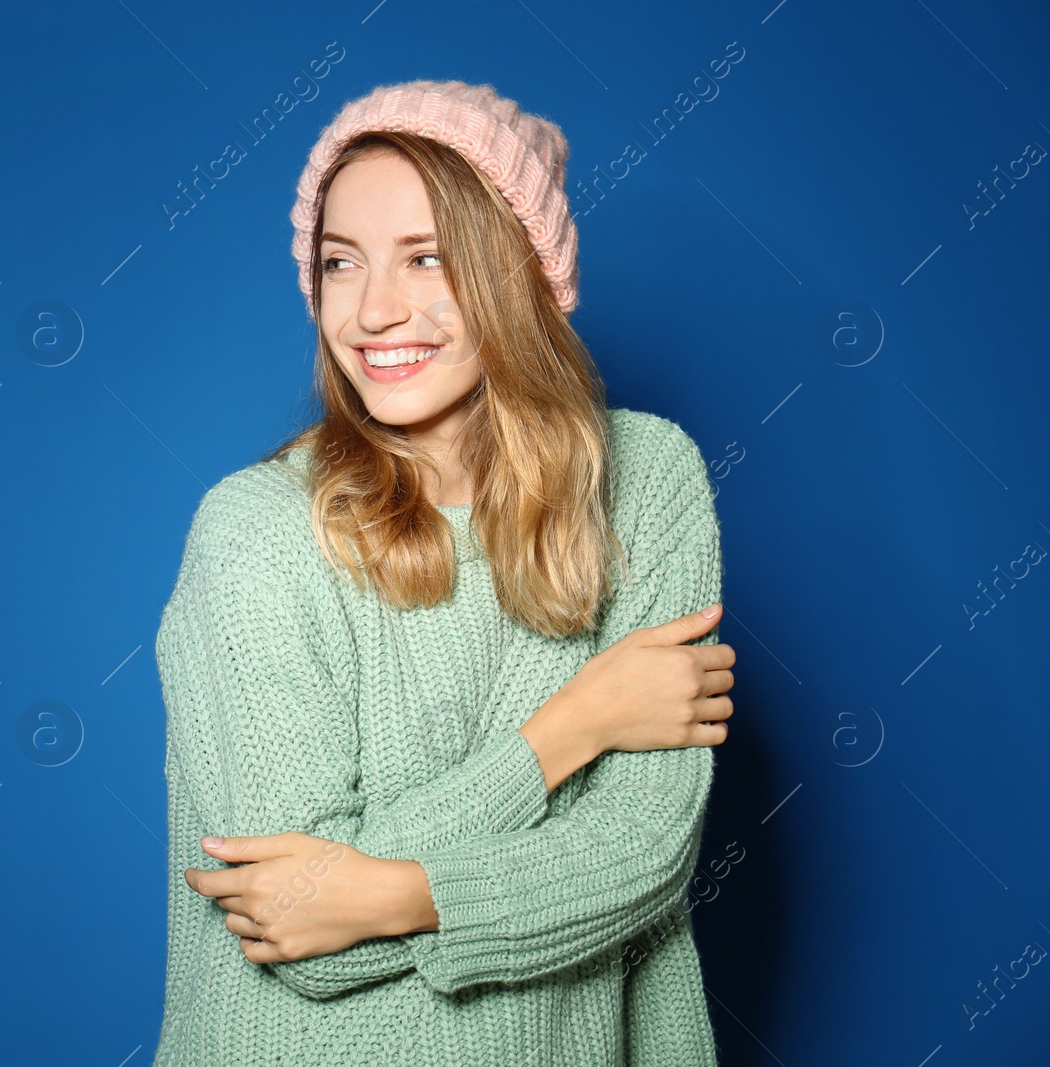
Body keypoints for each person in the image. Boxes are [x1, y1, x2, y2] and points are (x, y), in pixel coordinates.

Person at [151, 79, 736, 1067]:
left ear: (522, 270)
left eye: (427, 257)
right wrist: (572, 726)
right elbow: (298, 935)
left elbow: (643, 855)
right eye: (342, 263)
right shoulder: (254, 535)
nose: (377, 309)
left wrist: (383, 892)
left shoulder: (646, 482)